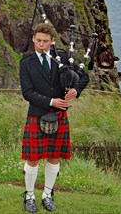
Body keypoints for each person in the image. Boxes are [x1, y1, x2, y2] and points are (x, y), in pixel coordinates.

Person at [19, 23, 89, 212]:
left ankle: (48, 195)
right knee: (32, 159)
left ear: (52, 42)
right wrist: (51, 101)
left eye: (45, 41)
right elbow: (27, 93)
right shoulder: (26, 63)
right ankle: (30, 196)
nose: (41, 45)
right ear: (33, 39)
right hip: (37, 114)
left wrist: (76, 90)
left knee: (54, 157)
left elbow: (84, 76)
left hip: (59, 117)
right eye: (38, 40)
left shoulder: (63, 57)